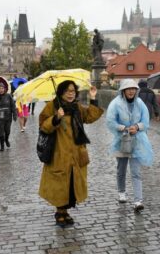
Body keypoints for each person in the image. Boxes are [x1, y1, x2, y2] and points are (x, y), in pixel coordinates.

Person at [39, 80, 103, 227]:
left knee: (71, 184)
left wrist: (93, 98)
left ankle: (65, 211)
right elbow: (43, 126)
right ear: (61, 92)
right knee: (60, 183)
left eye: (73, 91)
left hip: (76, 152)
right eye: (68, 91)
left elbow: (90, 117)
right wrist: (55, 118)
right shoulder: (52, 106)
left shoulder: (76, 107)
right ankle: (60, 212)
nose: (70, 94)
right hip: (59, 152)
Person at [106, 79, 153, 212]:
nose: (131, 91)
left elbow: (146, 120)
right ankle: (121, 192)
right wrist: (123, 128)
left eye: (133, 89)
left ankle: (138, 201)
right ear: (123, 91)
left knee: (136, 172)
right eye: (128, 89)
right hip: (121, 141)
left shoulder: (140, 103)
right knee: (121, 169)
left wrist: (137, 127)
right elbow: (110, 121)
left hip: (137, 141)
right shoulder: (115, 104)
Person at [0, 83, 17, 151]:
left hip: (8, 117)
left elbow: (13, 106)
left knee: (7, 131)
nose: (1, 90)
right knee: (1, 133)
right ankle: (2, 146)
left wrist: (14, 115)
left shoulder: (8, 96)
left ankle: (6, 140)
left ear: (4, 89)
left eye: (2, 88)